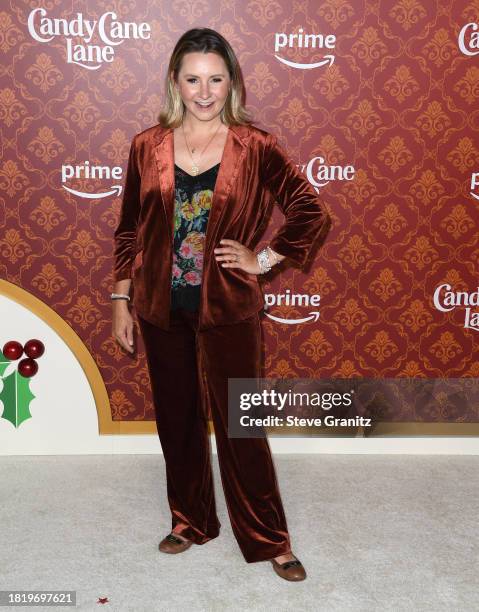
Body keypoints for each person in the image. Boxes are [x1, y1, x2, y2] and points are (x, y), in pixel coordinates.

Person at [111, 27, 331, 582]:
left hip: (228, 307)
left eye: (215, 79)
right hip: (161, 306)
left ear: (231, 81)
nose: (204, 92)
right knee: (178, 420)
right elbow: (128, 231)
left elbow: (310, 211)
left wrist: (266, 259)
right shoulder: (146, 145)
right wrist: (120, 298)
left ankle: (269, 537)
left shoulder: (255, 146)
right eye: (192, 79)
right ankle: (190, 520)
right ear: (174, 82)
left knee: (241, 425)